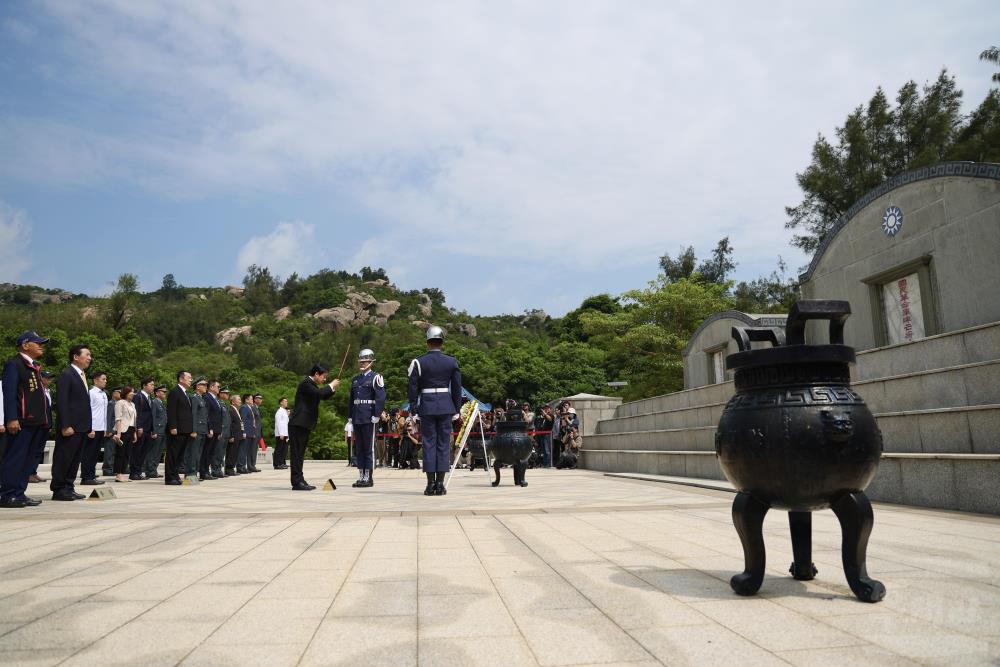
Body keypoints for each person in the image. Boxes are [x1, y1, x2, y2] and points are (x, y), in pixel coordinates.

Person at [407, 326, 462, 496]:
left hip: (428, 406)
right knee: (443, 444)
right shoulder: (451, 361)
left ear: (427, 342)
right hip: (446, 406)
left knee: (429, 444)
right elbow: (457, 388)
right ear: (442, 343)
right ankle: (440, 484)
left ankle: (430, 485)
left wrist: (414, 409)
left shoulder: (418, 362)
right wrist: (456, 409)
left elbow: (412, 388)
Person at [2, 331, 53, 507]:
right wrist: (11, 418)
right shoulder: (14, 364)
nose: (41, 345)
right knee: (16, 458)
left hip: (36, 422)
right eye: (37, 342)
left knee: (27, 459)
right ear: (25, 345)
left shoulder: (34, 366)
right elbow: (9, 394)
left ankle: (19, 492)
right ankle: (8, 494)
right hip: (21, 422)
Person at [49, 343, 94, 500]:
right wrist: (66, 424)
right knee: (64, 457)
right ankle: (59, 488)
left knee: (75, 459)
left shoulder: (81, 375)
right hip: (70, 427)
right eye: (87, 355)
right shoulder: (67, 374)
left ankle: (69, 486)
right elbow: (62, 402)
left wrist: (89, 426)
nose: (90, 358)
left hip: (81, 427)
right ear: (76, 357)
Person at [288, 364, 340, 490]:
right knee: (296, 454)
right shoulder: (306, 383)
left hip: (304, 424)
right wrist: (331, 385)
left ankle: (300, 479)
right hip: (298, 424)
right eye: (324, 376)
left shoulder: (312, 385)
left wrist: (333, 389)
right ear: (316, 374)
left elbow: (323, 395)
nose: (325, 379)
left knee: (300, 454)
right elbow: (320, 394)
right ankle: (296, 482)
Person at [349, 349, 386, 488]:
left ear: (371, 362)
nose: (362, 363)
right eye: (361, 361)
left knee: (368, 448)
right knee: (359, 448)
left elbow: (381, 398)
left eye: (364, 361)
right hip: (358, 415)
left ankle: (368, 477)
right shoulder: (356, 379)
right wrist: (350, 416)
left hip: (369, 416)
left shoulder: (376, 377)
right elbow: (352, 400)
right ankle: (361, 475)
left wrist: (376, 415)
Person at [165, 371, 194, 485]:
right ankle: (169, 477)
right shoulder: (175, 392)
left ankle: (175, 474)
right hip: (177, 429)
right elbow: (171, 410)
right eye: (189, 378)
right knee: (173, 453)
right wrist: (173, 426)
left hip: (185, 429)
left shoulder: (186, 393)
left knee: (180, 455)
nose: (191, 380)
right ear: (181, 379)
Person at [82, 370, 109, 485]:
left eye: (105, 379)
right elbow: (87, 411)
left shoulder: (103, 394)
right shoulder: (91, 393)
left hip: (101, 428)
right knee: (89, 453)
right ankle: (86, 477)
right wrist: (90, 428)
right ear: (95, 380)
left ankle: (91, 475)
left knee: (95, 454)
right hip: (92, 428)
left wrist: (105, 428)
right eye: (103, 379)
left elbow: (104, 412)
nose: (105, 381)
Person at [29, 370, 55, 483]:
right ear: (41, 378)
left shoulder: (48, 391)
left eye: (50, 378)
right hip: (38, 424)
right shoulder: (36, 390)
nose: (49, 380)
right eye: (47, 378)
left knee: (39, 450)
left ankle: (33, 472)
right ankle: (28, 473)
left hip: (46, 425)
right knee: (33, 449)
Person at [130, 377, 155, 480]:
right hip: (141, 428)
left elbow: (151, 415)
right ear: (144, 385)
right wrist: (138, 426)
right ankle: (134, 472)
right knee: (137, 451)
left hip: (148, 429)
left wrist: (153, 429)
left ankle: (139, 472)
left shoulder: (150, 398)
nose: (153, 387)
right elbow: (137, 413)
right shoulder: (138, 396)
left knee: (143, 452)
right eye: (151, 385)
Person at [185, 378, 208, 480]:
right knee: (193, 453)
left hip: (202, 430)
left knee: (198, 454)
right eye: (204, 385)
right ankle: (190, 475)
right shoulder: (194, 398)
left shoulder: (201, 398)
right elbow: (193, 415)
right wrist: (193, 430)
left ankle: (194, 474)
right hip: (197, 430)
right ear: (198, 387)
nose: (206, 387)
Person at [112, 387, 137, 483]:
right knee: (120, 453)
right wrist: (118, 433)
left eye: (133, 392)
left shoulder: (133, 404)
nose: (132, 394)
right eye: (131, 392)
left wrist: (134, 432)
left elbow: (133, 420)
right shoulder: (120, 403)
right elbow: (118, 419)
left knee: (127, 453)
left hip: (131, 429)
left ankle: (123, 472)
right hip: (122, 430)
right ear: (126, 393)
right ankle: (118, 474)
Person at [200, 380, 223, 480]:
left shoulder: (216, 399)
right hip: (210, 430)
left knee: (211, 452)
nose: (219, 389)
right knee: (206, 451)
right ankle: (203, 472)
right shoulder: (207, 397)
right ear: (211, 387)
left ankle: (207, 471)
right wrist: (210, 428)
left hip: (216, 430)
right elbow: (207, 415)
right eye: (218, 386)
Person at [144, 384, 168, 478]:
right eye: (163, 391)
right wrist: (153, 431)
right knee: (153, 452)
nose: (165, 393)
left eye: (165, 392)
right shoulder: (154, 402)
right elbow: (153, 417)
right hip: (157, 430)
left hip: (162, 431)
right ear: (157, 393)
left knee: (158, 452)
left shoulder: (161, 403)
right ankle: (150, 470)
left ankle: (153, 470)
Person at [101, 386, 121, 477]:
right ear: (114, 393)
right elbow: (108, 417)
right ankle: (107, 469)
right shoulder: (111, 403)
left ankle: (112, 468)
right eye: (119, 392)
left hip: (117, 430)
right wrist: (108, 430)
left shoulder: (118, 403)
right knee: (109, 450)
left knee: (115, 451)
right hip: (111, 431)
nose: (121, 394)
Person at [211, 386, 230, 478]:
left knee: (221, 453)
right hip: (221, 431)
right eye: (226, 393)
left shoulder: (223, 404)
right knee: (217, 452)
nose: (227, 395)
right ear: (221, 394)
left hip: (226, 432)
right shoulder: (218, 403)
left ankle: (218, 469)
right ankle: (215, 470)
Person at [224, 393, 244, 476]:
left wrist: (242, 433)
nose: (240, 401)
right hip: (233, 435)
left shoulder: (237, 410)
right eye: (238, 400)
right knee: (231, 453)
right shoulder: (231, 410)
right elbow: (230, 424)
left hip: (238, 435)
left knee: (235, 453)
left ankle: (232, 468)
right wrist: (231, 435)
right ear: (233, 402)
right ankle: (228, 469)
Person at [238, 393, 256, 474]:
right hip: (246, 432)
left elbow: (252, 422)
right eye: (251, 399)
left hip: (250, 432)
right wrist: (243, 431)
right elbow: (243, 421)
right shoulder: (244, 407)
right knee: (243, 450)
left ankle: (244, 466)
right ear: (246, 400)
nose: (252, 400)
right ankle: (241, 466)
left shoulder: (250, 408)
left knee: (246, 451)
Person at [273, 397, 290, 470]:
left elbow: (286, 424)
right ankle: (276, 464)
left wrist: (287, 434)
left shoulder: (284, 411)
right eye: (285, 401)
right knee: (279, 449)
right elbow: (279, 423)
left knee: (283, 449)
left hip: (285, 433)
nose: (286, 402)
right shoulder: (279, 411)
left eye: (287, 401)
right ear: (281, 403)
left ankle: (281, 463)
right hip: (281, 434)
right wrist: (281, 433)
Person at [251, 394, 264, 471]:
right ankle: (251, 466)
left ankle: (253, 465)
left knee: (255, 449)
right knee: (252, 450)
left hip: (258, 433)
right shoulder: (252, 407)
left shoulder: (257, 408)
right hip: (254, 432)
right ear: (255, 399)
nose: (260, 400)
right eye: (259, 398)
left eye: (261, 398)